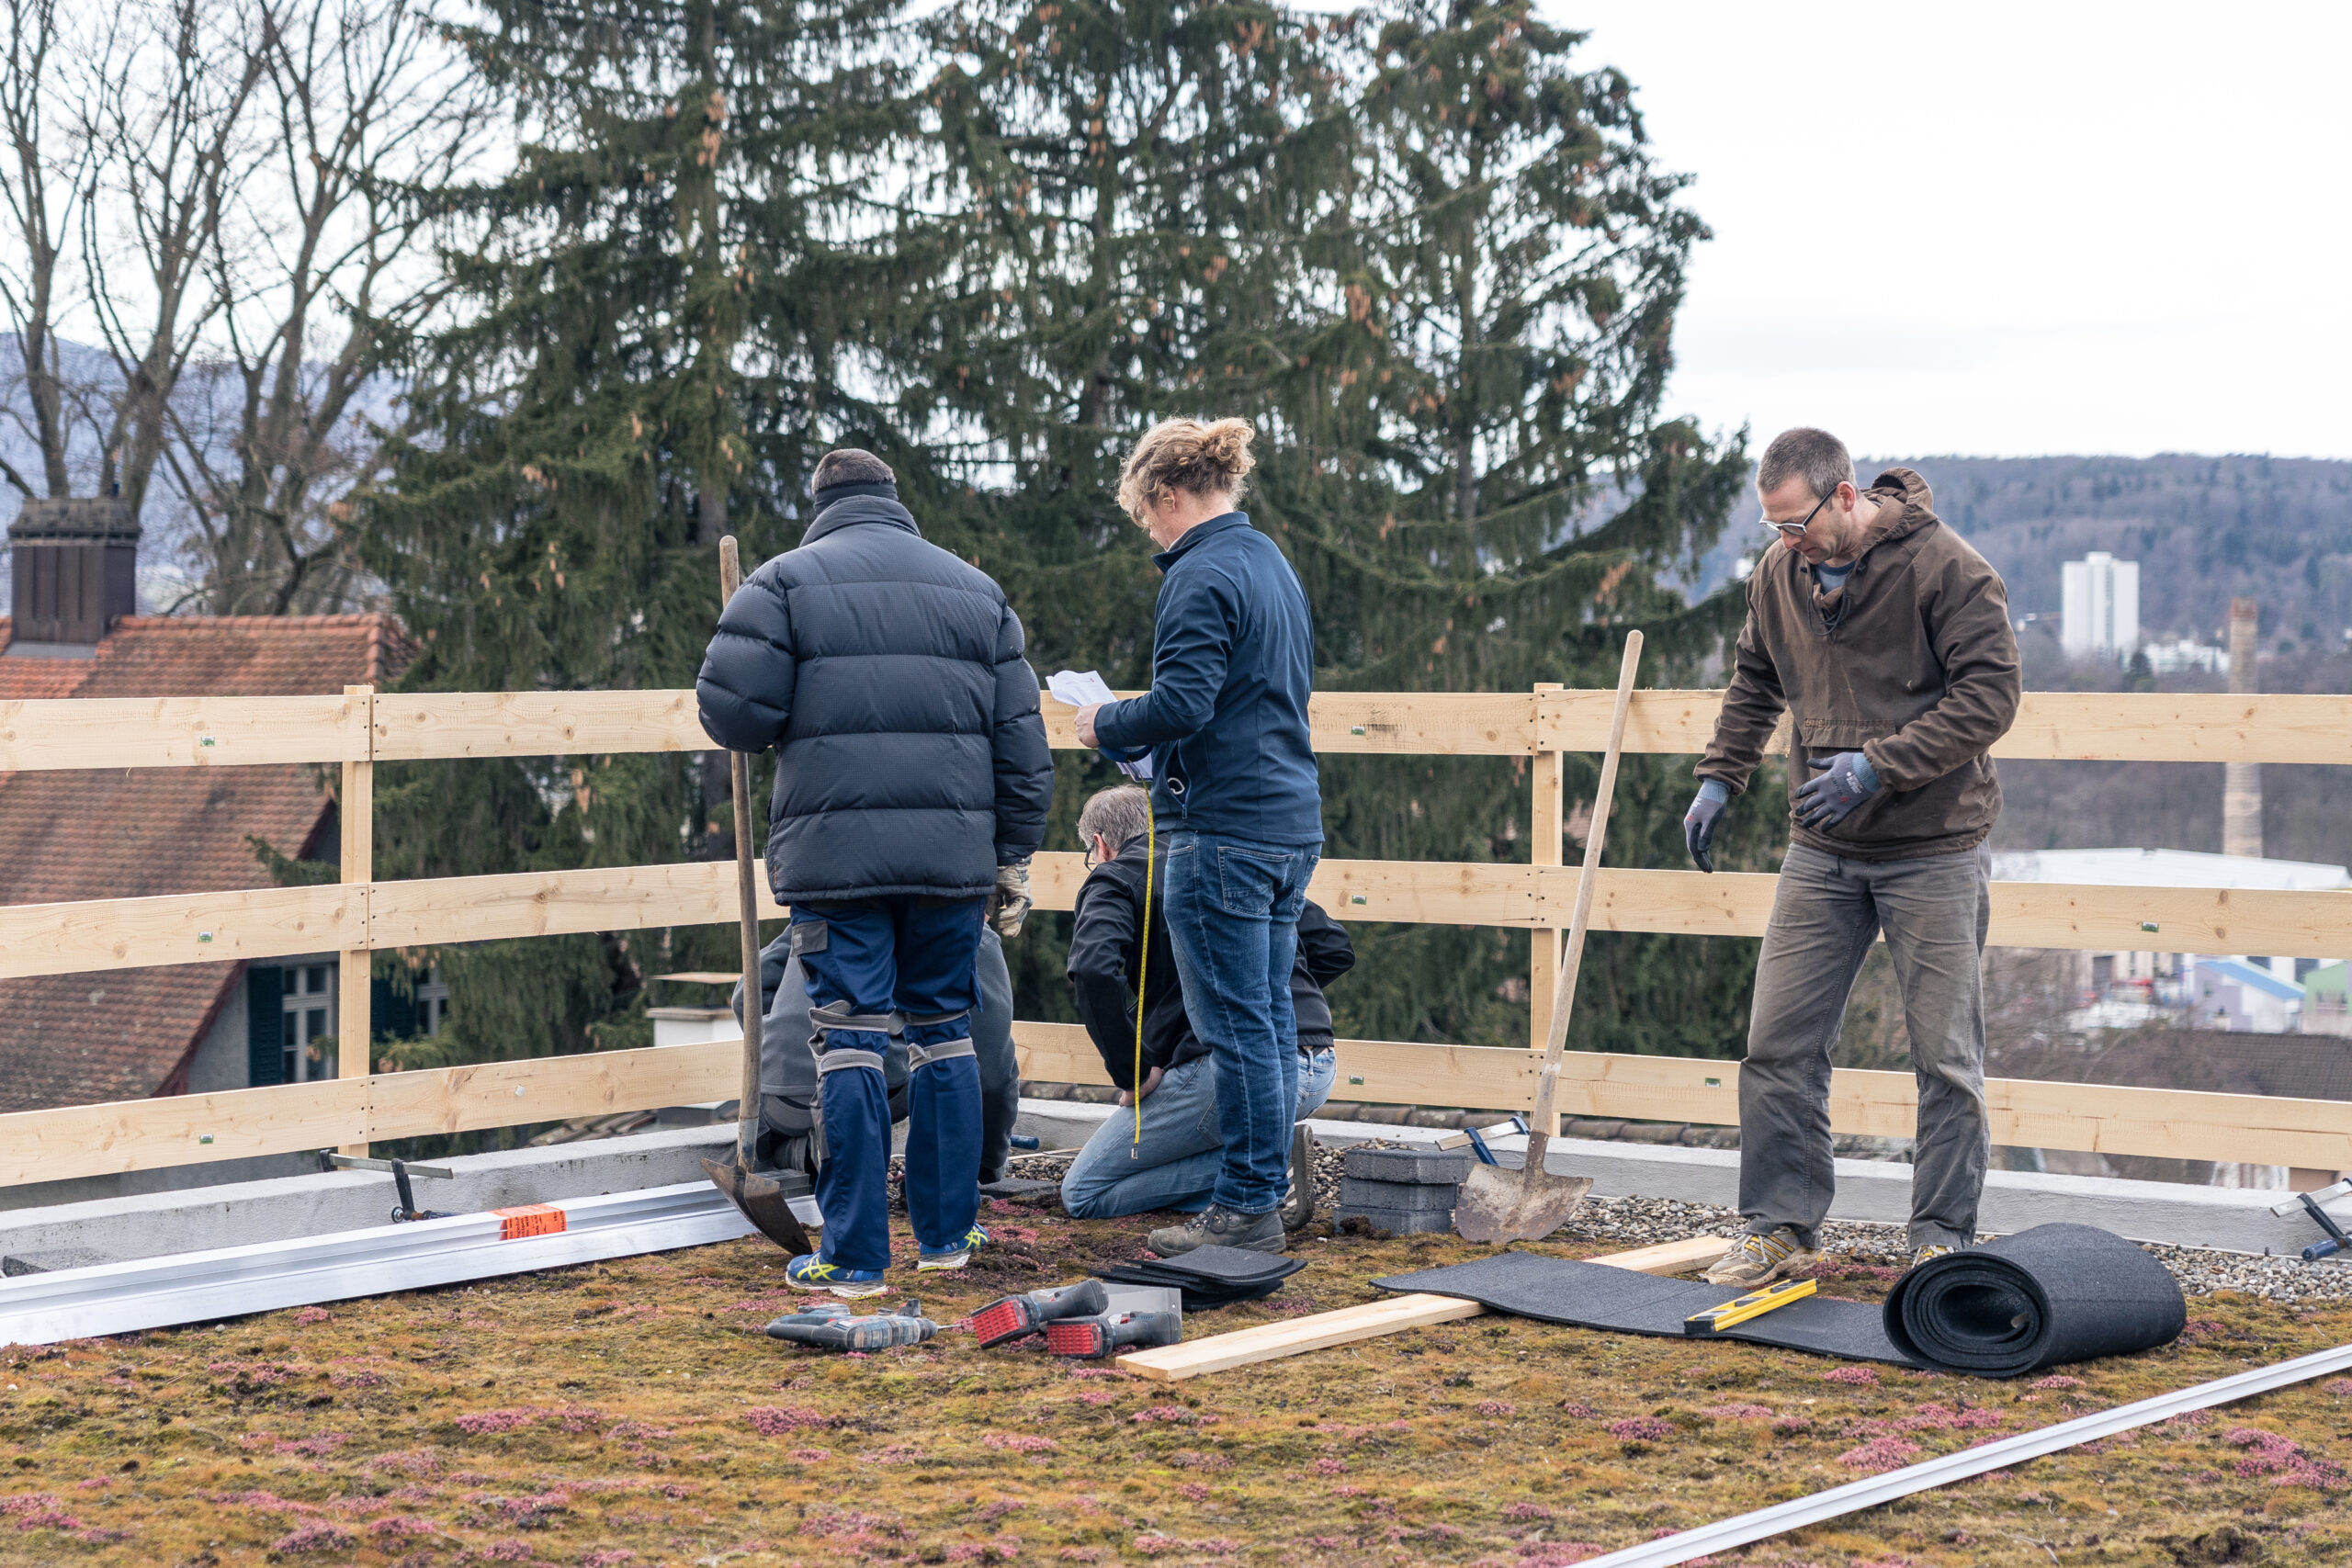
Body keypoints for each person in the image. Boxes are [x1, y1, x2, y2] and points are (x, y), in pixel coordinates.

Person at [696, 448, 1053, 1296]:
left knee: (849, 1037)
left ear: (819, 501)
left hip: (836, 859)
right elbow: (1023, 748)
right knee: (945, 1032)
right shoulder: (978, 592)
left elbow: (730, 715)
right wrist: (1011, 857)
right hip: (949, 862)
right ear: (895, 500)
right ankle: (947, 1234)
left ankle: (855, 1257)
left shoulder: (781, 584)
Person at [1685, 428, 2020, 1289]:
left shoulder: (1949, 569)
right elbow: (1756, 678)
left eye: (1796, 523)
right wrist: (1721, 778)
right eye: (1772, 527)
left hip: (1933, 845)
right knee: (1777, 1044)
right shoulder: (1779, 576)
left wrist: (1879, 766)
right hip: (1823, 847)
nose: (1785, 542)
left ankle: (1941, 1234)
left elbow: (1990, 697)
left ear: (1843, 497)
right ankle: (1778, 1227)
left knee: (1946, 1055)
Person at [1074, 418, 1321, 1257]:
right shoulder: (1271, 565)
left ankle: (1246, 1202)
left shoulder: (1198, 573)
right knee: (1270, 1024)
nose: (1151, 532)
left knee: (1238, 1027)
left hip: (1222, 832)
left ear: (1166, 495)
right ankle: (1262, 1187)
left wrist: (1102, 722)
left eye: (1148, 517)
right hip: (1289, 824)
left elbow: (1182, 703)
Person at [1058, 784, 1351, 1221]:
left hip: (1228, 1071)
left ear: (1101, 845)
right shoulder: (1225, 859)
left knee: (1084, 1193)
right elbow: (1333, 947)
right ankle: (1259, 1167)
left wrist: (1133, 1071)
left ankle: (1273, 1166)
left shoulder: (1115, 876)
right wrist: (1269, 1001)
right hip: (1316, 1064)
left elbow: (1094, 970)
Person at [732, 922, 1024, 1187]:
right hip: (858, 1091)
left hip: (778, 1098)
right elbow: (994, 1078)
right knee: (945, 1053)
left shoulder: (825, 901)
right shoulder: (967, 932)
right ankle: (832, 1152)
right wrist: (987, 1164)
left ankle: (799, 1147)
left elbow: (746, 994)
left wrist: (783, 1053)